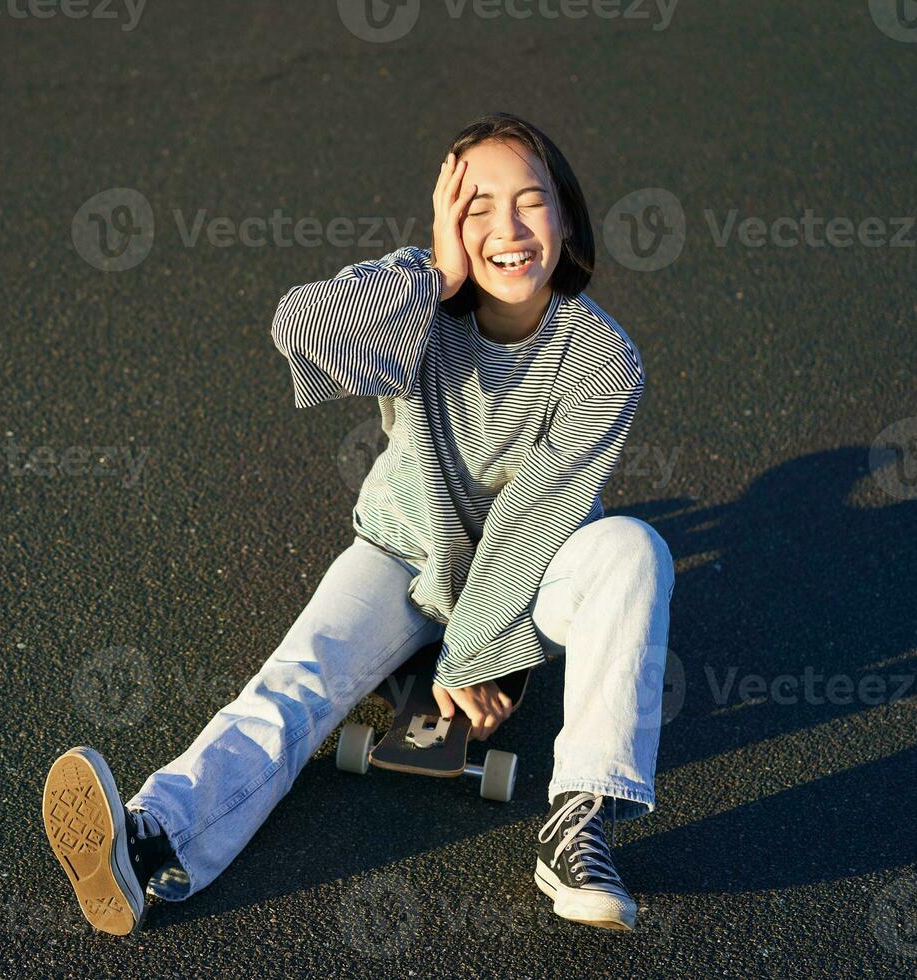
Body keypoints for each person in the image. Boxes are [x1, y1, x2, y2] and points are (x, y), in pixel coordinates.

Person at [41, 112, 675, 935]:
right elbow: (297, 327)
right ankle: (150, 837)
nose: (508, 230)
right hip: (403, 551)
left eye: (532, 202)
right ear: (446, 219)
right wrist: (434, 276)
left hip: (532, 574)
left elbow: (532, 518)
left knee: (632, 547)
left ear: (566, 216)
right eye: (477, 206)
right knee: (294, 683)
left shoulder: (601, 358)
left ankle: (579, 827)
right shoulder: (415, 299)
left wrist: (479, 660)